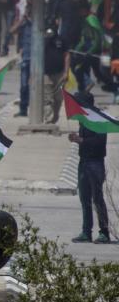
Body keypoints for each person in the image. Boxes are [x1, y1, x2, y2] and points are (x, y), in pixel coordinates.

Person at [68, 92, 111, 244]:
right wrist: (76, 138)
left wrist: (81, 140)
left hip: (95, 163)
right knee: (84, 198)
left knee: (97, 198)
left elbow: (99, 142)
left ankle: (104, 232)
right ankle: (86, 232)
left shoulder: (98, 119)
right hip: (84, 162)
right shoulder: (83, 119)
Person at [43, 27, 69, 123]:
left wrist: (66, 72)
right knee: (47, 98)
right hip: (45, 73)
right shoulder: (42, 40)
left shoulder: (61, 40)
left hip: (59, 73)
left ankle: (55, 115)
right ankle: (48, 119)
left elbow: (67, 55)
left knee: (58, 98)